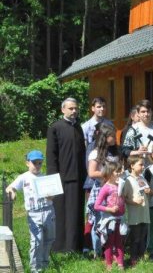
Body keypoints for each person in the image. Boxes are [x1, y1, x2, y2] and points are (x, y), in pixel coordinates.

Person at [46, 97, 86, 252]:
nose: (74, 111)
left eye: (76, 108)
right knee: (61, 213)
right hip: (61, 178)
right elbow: (51, 155)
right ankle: (60, 247)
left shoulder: (78, 128)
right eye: (71, 108)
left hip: (78, 178)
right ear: (63, 109)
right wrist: (52, 179)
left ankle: (75, 246)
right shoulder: (55, 128)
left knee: (76, 214)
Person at [6, 151, 55, 272]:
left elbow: (52, 196)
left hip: (49, 211)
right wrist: (12, 192)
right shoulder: (24, 177)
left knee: (49, 238)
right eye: (34, 163)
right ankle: (35, 267)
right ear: (27, 163)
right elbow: (9, 187)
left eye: (40, 163)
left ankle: (44, 262)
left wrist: (50, 196)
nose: (37, 165)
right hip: (34, 213)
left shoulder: (45, 177)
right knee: (36, 241)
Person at [86, 124, 121, 256]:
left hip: (115, 189)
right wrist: (109, 173)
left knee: (113, 219)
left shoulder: (115, 151)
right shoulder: (96, 153)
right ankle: (98, 251)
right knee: (99, 221)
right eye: (112, 135)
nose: (114, 138)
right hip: (101, 189)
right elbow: (92, 173)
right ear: (105, 137)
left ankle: (111, 248)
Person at [93, 161, 126, 270]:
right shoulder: (106, 188)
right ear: (110, 173)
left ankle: (121, 263)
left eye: (120, 171)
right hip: (110, 220)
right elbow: (96, 205)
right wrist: (109, 209)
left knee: (119, 242)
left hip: (120, 219)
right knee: (109, 242)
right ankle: (109, 264)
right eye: (117, 171)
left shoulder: (120, 184)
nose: (119, 173)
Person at [122, 156, 150, 266]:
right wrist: (134, 201)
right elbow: (124, 198)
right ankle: (133, 258)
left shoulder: (142, 178)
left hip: (144, 213)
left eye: (143, 165)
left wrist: (148, 190)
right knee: (135, 238)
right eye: (140, 165)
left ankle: (141, 256)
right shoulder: (128, 180)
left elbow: (145, 189)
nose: (143, 167)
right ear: (132, 166)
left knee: (143, 237)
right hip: (135, 216)